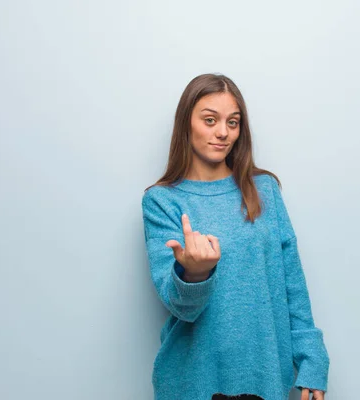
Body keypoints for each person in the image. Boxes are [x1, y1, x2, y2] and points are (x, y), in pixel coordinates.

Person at [141, 73, 330, 400]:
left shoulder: (264, 191)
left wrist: (312, 358)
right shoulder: (162, 201)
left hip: (265, 373)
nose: (222, 132)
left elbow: (292, 284)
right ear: (186, 124)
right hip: (193, 379)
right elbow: (180, 306)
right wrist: (195, 273)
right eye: (210, 120)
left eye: (233, 122)